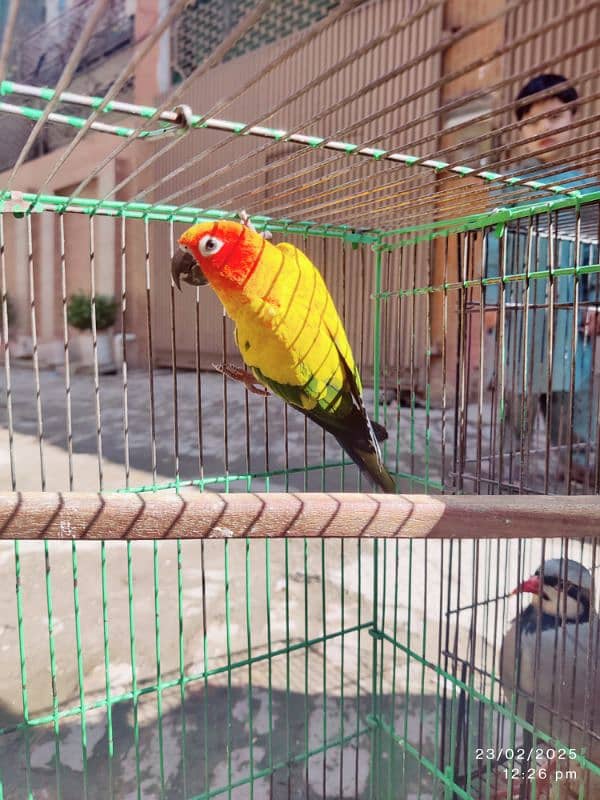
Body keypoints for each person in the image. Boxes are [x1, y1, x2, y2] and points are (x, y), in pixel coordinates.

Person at [484, 74, 600, 487]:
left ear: (573, 118)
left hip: (570, 324)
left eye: (554, 117)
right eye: (532, 121)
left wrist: (596, 305)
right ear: (520, 128)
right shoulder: (508, 189)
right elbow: (493, 251)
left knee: (575, 410)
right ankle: (504, 482)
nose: (544, 129)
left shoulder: (588, 190)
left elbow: (595, 258)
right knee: (513, 411)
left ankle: (579, 477)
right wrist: (492, 301)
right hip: (520, 320)